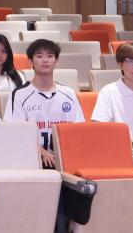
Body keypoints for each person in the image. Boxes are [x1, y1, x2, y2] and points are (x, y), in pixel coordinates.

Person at [6, 39, 84, 167]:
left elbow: (79, 131)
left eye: (50, 56)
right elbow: (16, 133)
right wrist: (41, 152)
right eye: (39, 56)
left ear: (57, 61)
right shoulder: (19, 95)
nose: (45, 60)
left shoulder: (69, 93)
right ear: (30, 61)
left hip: (66, 159)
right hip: (31, 159)